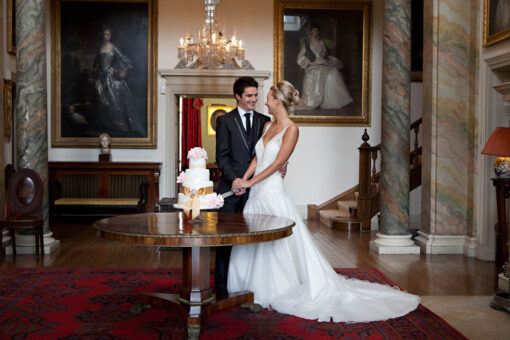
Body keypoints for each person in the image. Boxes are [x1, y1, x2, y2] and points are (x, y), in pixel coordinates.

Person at [228, 80, 420, 322]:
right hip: (255, 192)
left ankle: (278, 287)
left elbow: (277, 164)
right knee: (253, 241)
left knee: (276, 242)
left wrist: (250, 183)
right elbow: (259, 158)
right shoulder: (267, 125)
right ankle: (250, 287)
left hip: (272, 192)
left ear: (278, 100)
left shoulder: (292, 129)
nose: (264, 101)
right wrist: (242, 180)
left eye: (267, 97)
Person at [214, 76, 271, 298]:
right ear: (237, 96)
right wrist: (236, 181)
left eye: (256, 95)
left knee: (254, 240)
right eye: (249, 95)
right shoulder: (225, 121)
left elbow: (267, 154)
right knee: (225, 240)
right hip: (230, 191)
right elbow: (222, 156)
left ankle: (250, 285)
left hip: (257, 189)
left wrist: (250, 182)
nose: (253, 100)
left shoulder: (265, 120)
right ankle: (221, 288)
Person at [93, 26, 144, 136]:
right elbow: (96, 63)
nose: (106, 36)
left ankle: (118, 127)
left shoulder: (113, 48)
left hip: (110, 78)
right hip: (101, 77)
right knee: (100, 101)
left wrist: (115, 70)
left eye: (107, 34)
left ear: (110, 36)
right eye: (104, 34)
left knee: (113, 101)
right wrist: (98, 71)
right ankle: (105, 126)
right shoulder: (99, 47)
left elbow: (124, 60)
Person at [297, 25, 354, 110]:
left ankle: (334, 101)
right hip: (313, 65)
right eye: (313, 30)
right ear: (311, 32)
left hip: (323, 62)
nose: (315, 32)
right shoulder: (307, 43)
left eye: (317, 30)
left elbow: (326, 54)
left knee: (334, 72)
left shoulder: (321, 42)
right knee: (320, 73)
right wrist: (310, 63)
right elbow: (300, 56)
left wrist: (327, 60)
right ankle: (316, 100)